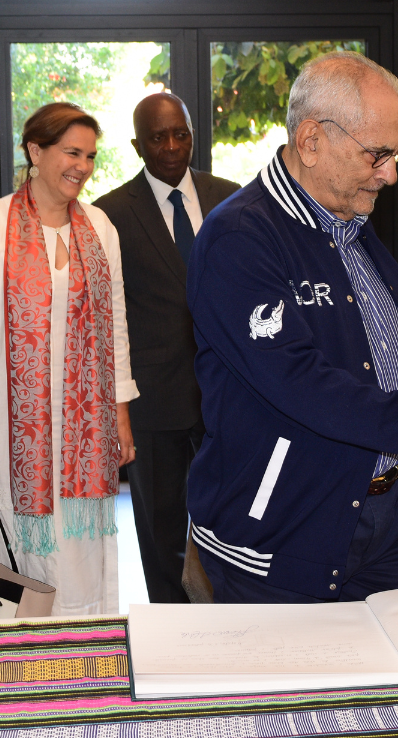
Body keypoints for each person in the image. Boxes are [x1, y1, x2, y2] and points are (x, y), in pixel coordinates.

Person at [186, 50, 398, 604]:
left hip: (392, 515)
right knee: (303, 688)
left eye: (395, 155)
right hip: (285, 525)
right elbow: (306, 386)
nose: (390, 175)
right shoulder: (239, 239)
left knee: (387, 687)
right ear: (311, 141)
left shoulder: (349, 217)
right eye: (377, 154)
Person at [0, 102, 137, 615]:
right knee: (22, 550)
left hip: (86, 425)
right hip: (13, 426)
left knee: (82, 550)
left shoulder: (100, 227)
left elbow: (116, 323)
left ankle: (84, 656)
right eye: (71, 152)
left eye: (90, 156)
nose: (81, 166)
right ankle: (24, 668)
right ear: (35, 151)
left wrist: (120, 412)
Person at [93, 93, 239, 603]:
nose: (173, 146)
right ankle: (174, 635)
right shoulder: (108, 214)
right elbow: (106, 318)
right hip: (154, 403)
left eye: (181, 133)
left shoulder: (231, 197)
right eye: (159, 137)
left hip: (230, 397)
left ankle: (231, 624)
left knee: (237, 523)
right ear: (138, 145)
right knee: (162, 536)